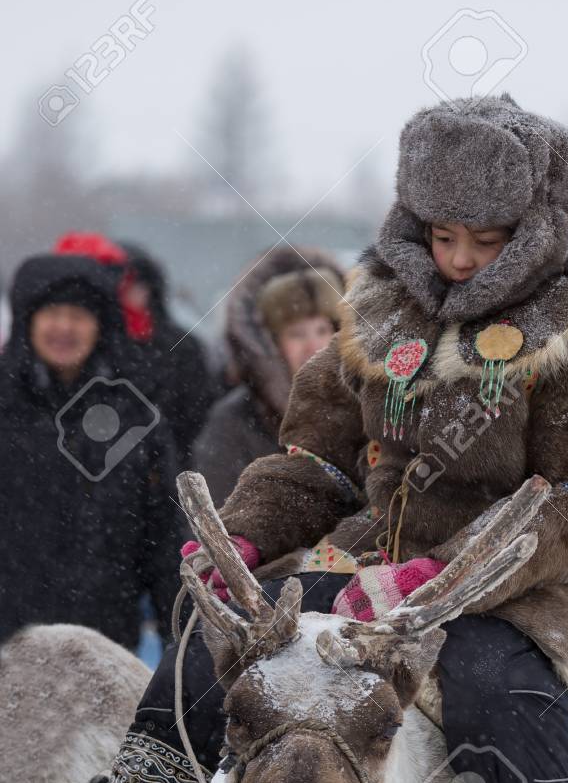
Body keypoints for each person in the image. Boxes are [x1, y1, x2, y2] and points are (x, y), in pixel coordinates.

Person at [34, 94, 568, 783]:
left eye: (482, 240)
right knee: (217, 645)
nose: (456, 259)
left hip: (525, 589)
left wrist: (442, 574)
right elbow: (316, 463)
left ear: (531, 233)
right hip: (363, 570)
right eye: (441, 234)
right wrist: (245, 535)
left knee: (495, 689)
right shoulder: (371, 320)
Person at [0, 251, 183, 650]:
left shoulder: (134, 415)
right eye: (52, 313)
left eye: (79, 315)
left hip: (105, 643)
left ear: (101, 326)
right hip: (8, 641)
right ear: (27, 321)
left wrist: (182, 648)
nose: (64, 327)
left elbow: (166, 540)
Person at [193, 248, 344, 505]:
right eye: (297, 334)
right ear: (271, 344)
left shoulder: (367, 408)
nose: (314, 345)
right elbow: (213, 519)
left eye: (322, 329)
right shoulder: (236, 422)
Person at [55, 234, 217, 469]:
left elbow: (197, 420)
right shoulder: (94, 348)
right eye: (122, 287)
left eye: (138, 285)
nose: (131, 295)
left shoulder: (182, 347)